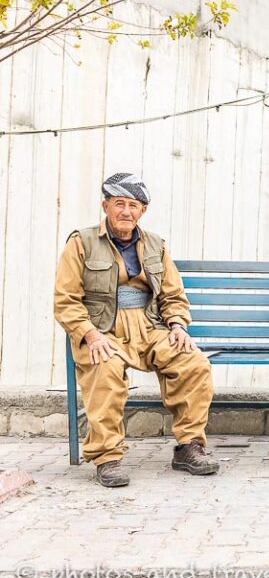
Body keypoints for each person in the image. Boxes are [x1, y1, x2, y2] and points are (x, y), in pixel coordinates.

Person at [54, 173, 219, 487]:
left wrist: (178, 325)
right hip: (104, 330)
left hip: (150, 327)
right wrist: (89, 334)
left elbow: (172, 294)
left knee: (193, 364)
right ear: (106, 206)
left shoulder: (155, 244)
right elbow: (66, 299)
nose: (126, 212)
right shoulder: (82, 242)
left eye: (133, 205)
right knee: (104, 370)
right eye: (119, 204)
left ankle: (189, 446)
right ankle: (107, 458)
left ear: (142, 210)